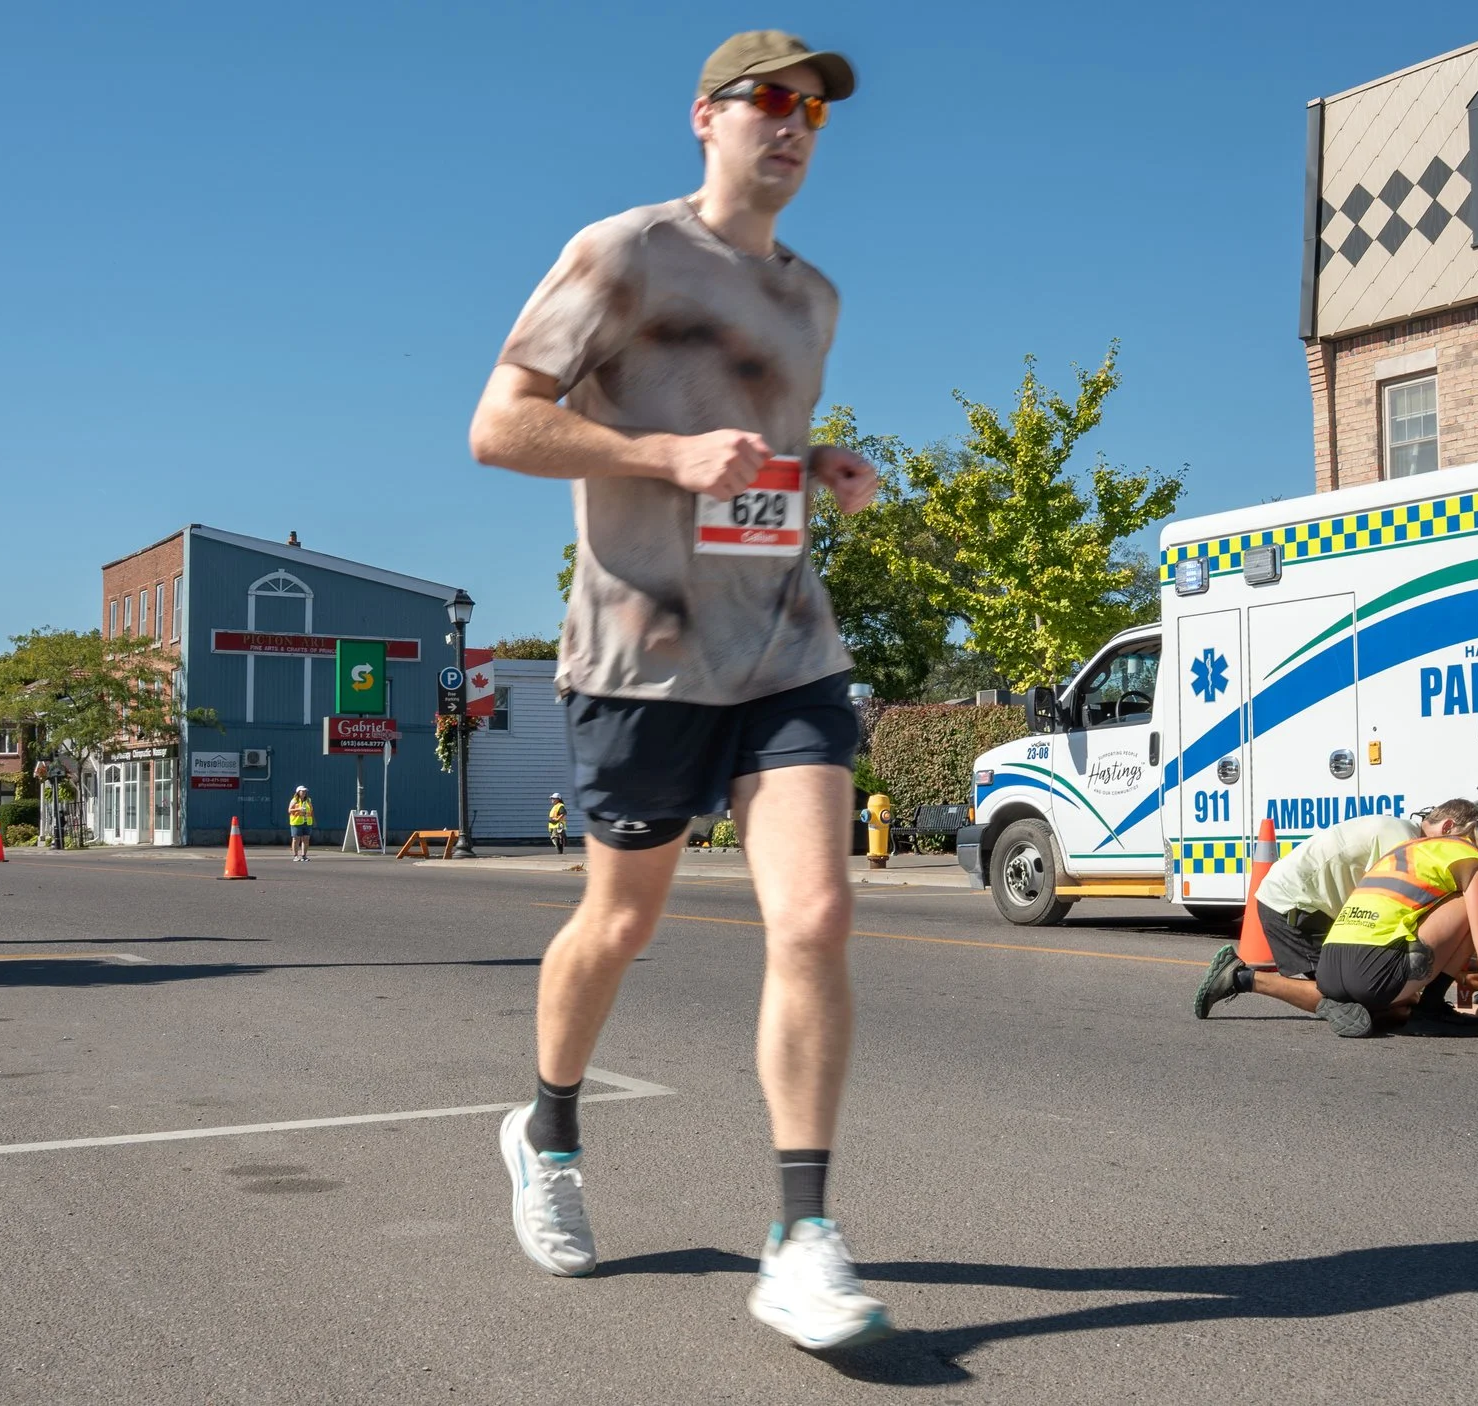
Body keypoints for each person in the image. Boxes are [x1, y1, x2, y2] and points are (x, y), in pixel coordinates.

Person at [467, 30, 891, 1350]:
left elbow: (750, 449)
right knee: (620, 923)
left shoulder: (815, 298)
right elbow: (500, 421)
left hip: (784, 646)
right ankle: (547, 1127)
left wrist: (816, 461)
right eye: (772, 100)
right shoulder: (625, 252)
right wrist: (659, 451)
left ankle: (802, 1233)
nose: (796, 125)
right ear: (705, 118)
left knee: (816, 915)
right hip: (641, 658)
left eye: (814, 109)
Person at [1193, 799, 1478, 1020]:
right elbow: (1394, 908)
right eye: (1464, 842)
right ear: (1447, 828)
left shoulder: (1401, 831)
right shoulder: (1405, 842)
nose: (1460, 852)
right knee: (1355, 997)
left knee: (1388, 999)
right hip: (1294, 904)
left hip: (1300, 900)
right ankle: (1239, 977)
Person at [1307, 811, 1478, 1036]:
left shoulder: (1410, 846)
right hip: (1372, 976)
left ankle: (1369, 1006)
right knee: (1469, 904)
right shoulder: (1476, 863)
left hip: (1328, 970)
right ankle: (1430, 1010)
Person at [286, 785, 315, 862]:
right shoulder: (294, 800)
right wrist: (299, 809)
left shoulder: (308, 800)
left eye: (305, 791)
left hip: (307, 822)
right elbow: (289, 810)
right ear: (298, 792)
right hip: (296, 822)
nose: (304, 793)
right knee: (296, 839)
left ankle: (304, 856)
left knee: (306, 839)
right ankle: (295, 856)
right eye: (302, 791)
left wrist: (312, 819)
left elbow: (311, 810)